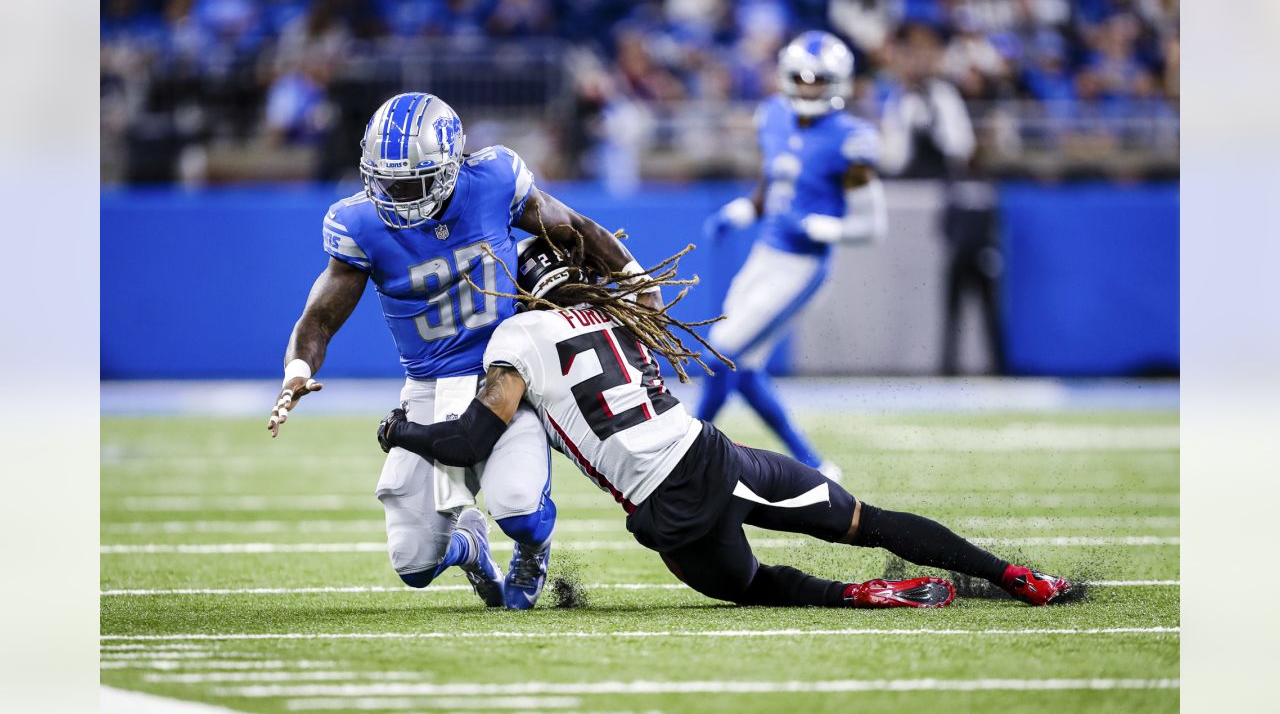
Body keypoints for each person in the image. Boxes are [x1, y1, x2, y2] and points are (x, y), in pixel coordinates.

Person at [376, 236, 1072, 609]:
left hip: (666, 503)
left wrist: (400, 431)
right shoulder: (623, 316)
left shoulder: (519, 335)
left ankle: (854, 596)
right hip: (715, 455)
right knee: (869, 519)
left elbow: (470, 439)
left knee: (751, 587)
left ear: (527, 290)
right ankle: (1014, 575)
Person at [267, 92, 659, 610]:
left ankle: (531, 547)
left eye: (412, 181)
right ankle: (471, 548)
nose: (398, 193)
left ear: (450, 167)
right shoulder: (358, 223)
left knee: (518, 507)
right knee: (413, 564)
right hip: (428, 386)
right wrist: (297, 370)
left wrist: (636, 279)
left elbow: (576, 229)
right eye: (387, 181)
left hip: (506, 373)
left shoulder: (494, 181)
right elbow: (319, 317)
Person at [700, 31, 890, 483]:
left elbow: (873, 226)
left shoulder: (851, 140)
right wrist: (741, 211)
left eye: (818, 80)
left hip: (803, 265)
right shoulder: (773, 117)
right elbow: (772, 189)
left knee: (722, 354)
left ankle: (690, 442)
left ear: (838, 82)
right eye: (800, 79)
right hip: (766, 254)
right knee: (740, 366)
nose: (808, 88)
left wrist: (825, 227)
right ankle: (814, 461)